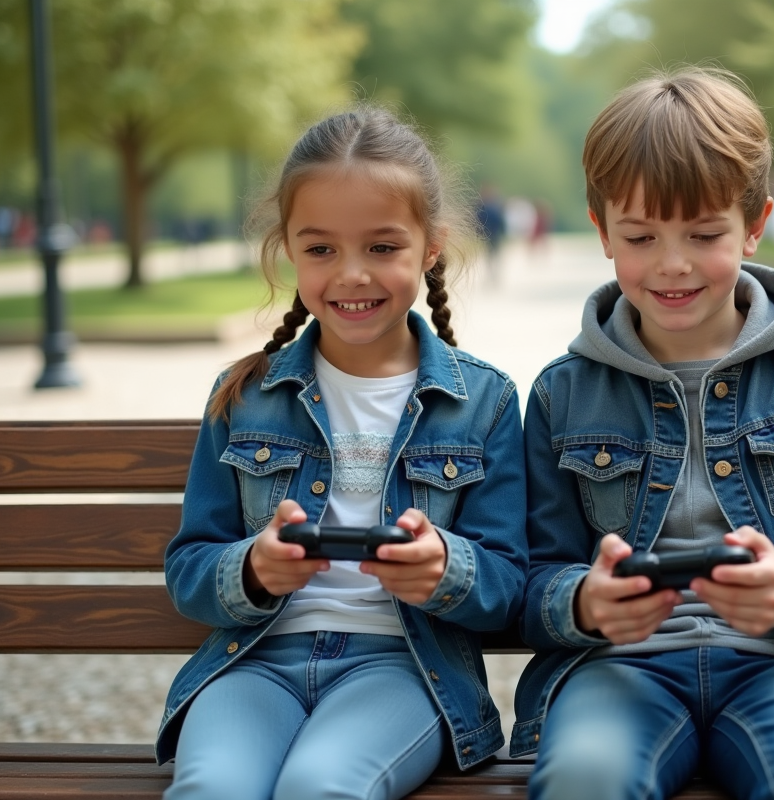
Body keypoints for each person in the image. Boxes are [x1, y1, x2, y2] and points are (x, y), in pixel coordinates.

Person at [511, 67, 774, 800]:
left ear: (755, 225)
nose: (672, 264)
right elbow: (532, 576)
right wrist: (584, 601)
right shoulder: (562, 394)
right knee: (583, 778)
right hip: (616, 668)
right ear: (602, 231)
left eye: (704, 235)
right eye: (641, 236)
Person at [157, 106, 528, 800]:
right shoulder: (246, 395)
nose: (352, 275)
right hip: (254, 662)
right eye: (321, 250)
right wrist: (254, 568)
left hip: (402, 667)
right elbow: (189, 568)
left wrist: (444, 568)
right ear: (288, 251)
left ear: (431, 248)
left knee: (322, 786)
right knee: (214, 788)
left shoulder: (485, 402)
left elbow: (508, 584)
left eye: (382, 248)